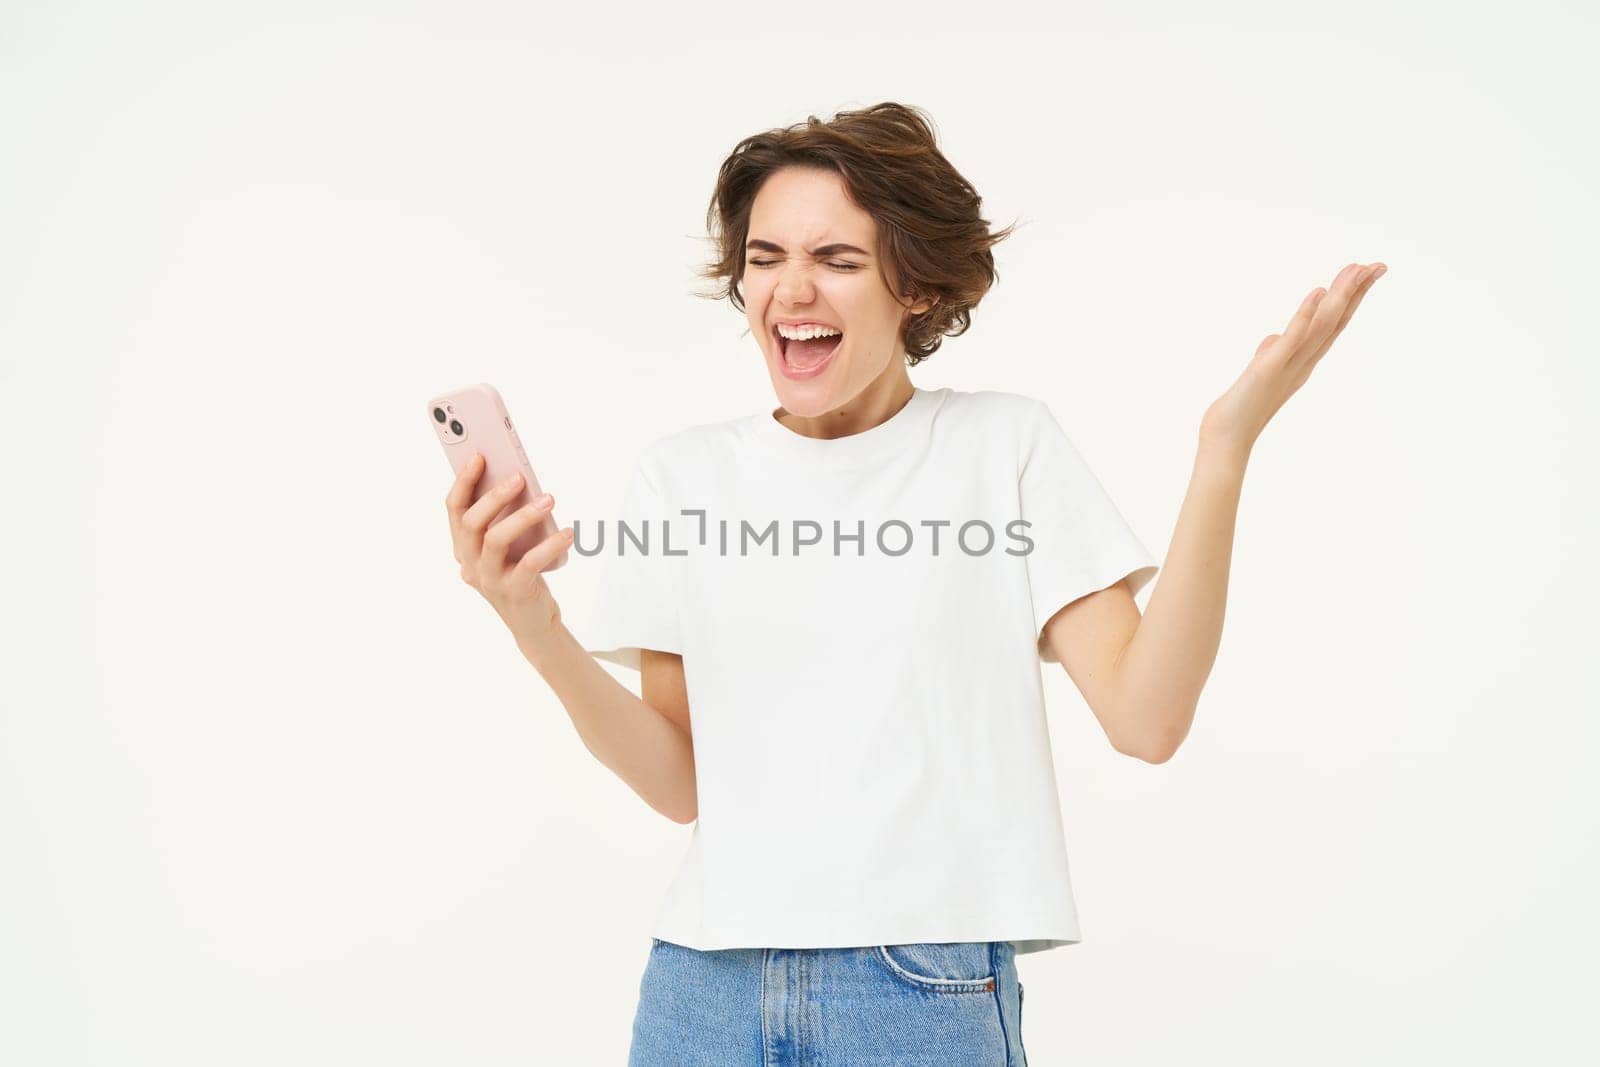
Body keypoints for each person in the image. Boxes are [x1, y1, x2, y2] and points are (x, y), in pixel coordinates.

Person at [443, 101, 1385, 1066]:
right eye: (764, 257)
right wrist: (533, 621)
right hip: (702, 986)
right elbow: (682, 782)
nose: (790, 290)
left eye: (838, 261)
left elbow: (1148, 719)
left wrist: (1223, 450)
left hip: (914, 988)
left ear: (919, 289)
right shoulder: (683, 476)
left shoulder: (1002, 446)